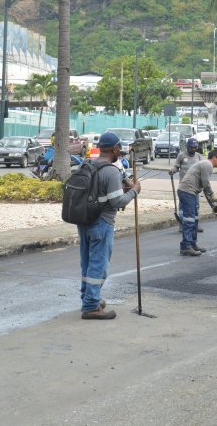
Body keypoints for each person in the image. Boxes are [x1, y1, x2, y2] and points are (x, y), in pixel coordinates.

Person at [77, 131, 140, 320]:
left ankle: (89, 298)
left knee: (87, 263)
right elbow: (117, 202)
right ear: (115, 149)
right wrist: (134, 191)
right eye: (119, 147)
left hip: (84, 221)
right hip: (102, 223)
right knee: (99, 265)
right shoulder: (111, 171)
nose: (120, 151)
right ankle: (91, 306)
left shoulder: (86, 165)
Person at [177, 149, 217, 256]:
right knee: (189, 219)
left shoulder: (206, 165)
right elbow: (206, 184)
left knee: (195, 218)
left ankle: (192, 244)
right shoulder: (208, 164)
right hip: (187, 191)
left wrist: (213, 205)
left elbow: (204, 188)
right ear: (214, 158)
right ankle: (186, 246)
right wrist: (213, 195)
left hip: (190, 192)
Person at [171, 137, 205, 234]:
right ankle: (182, 225)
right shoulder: (181, 156)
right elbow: (176, 167)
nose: (194, 149)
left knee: (196, 206)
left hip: (195, 187)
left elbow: (203, 170)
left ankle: (195, 225)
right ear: (188, 147)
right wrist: (172, 171)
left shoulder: (199, 157)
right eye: (192, 147)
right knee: (183, 207)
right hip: (184, 187)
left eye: (195, 147)